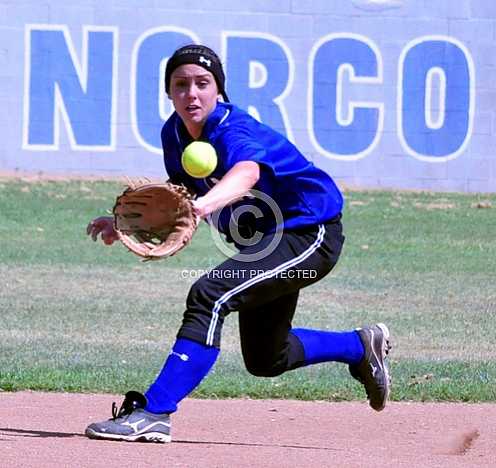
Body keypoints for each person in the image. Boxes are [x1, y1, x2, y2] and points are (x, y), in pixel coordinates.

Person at [85, 44, 391, 443]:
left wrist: (202, 207)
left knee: (209, 295)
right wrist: (127, 223)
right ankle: (359, 346)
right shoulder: (173, 134)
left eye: (202, 83)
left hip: (309, 232)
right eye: (180, 85)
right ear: (169, 93)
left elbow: (246, 171)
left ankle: (155, 412)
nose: (191, 93)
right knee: (267, 358)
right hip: (266, 242)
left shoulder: (232, 127)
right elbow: (178, 197)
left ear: (218, 90)